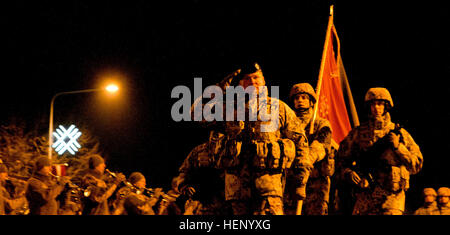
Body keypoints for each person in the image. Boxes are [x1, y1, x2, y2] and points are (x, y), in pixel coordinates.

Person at [191, 62, 309, 215]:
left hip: (269, 190)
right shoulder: (229, 109)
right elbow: (196, 114)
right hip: (237, 192)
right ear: (240, 85)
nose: (252, 82)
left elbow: (300, 143)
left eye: (256, 78)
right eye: (247, 79)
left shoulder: (279, 108)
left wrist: (300, 181)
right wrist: (220, 88)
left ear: (264, 81)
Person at [336, 87, 423, 215]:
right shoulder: (358, 133)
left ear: (386, 106)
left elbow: (416, 164)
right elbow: (340, 160)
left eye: (380, 104)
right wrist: (348, 173)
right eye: (373, 104)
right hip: (366, 194)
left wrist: (398, 147)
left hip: (392, 196)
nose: (376, 108)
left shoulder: (399, 133)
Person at [284, 83, 333, 215]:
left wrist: (304, 163)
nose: (300, 101)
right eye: (297, 98)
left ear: (311, 101)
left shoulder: (321, 124)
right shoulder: (287, 125)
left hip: (315, 184)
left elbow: (321, 147)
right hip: (291, 183)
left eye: (304, 97)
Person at [171, 130, 228, 215]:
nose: (214, 137)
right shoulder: (199, 151)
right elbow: (184, 171)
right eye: (213, 133)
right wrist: (184, 186)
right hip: (202, 204)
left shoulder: (231, 150)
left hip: (225, 203)